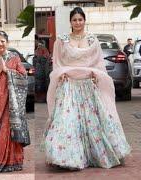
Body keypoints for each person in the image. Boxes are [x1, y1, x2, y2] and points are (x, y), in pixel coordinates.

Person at [44, 7, 131, 170]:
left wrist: (95, 74)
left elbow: (98, 61)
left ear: (84, 20)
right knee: (67, 121)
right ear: (70, 22)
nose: (77, 23)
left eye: (80, 19)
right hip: (69, 84)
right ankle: (66, 157)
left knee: (93, 122)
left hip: (88, 85)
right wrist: (60, 74)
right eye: (74, 20)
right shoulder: (62, 40)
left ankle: (97, 154)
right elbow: (57, 61)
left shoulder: (92, 40)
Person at [0, 31, 30, 172]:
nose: (0, 44)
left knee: (8, 129)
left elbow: (23, 77)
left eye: (3, 41)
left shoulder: (14, 58)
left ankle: (13, 161)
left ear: (7, 42)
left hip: (11, 102)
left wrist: (7, 70)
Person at [34, 35, 51, 102]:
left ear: (37, 40)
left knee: (42, 82)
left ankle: (43, 98)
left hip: (42, 72)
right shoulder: (37, 49)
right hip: (39, 72)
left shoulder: (42, 48)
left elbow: (45, 58)